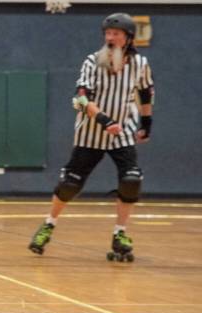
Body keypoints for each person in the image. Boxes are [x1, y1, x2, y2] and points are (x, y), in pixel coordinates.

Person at [29, 13, 154, 262]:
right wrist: (104, 121)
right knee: (70, 185)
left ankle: (120, 233)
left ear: (128, 38)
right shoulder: (92, 62)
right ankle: (48, 224)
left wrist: (146, 123)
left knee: (131, 180)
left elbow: (146, 92)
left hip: (124, 132)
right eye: (107, 33)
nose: (110, 38)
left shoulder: (140, 64)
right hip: (91, 132)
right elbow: (82, 98)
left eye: (116, 34)